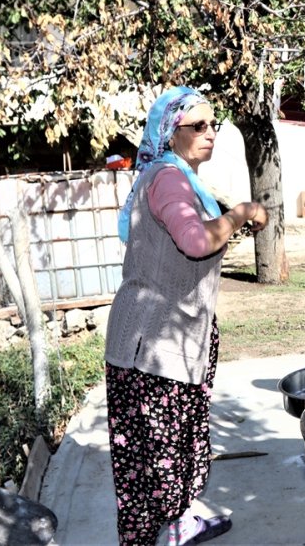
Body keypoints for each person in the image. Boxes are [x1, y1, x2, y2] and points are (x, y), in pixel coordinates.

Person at [104, 86, 268, 546]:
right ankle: (153, 534)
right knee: (151, 470)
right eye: (197, 125)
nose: (209, 132)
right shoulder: (169, 179)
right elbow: (195, 242)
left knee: (177, 455)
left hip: (170, 341)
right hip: (153, 349)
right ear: (170, 132)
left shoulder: (179, 178)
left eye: (213, 124)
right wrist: (238, 215)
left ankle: (178, 525)